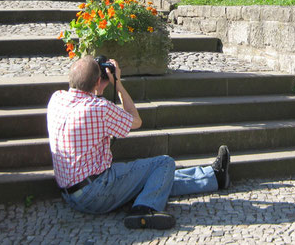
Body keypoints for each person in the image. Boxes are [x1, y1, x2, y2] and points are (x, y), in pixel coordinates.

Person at [47, 56, 231, 230]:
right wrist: (117, 84)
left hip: (70, 193)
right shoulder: (98, 109)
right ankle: (145, 210)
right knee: (164, 163)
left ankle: (214, 176)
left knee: (156, 180)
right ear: (97, 81)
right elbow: (136, 121)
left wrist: (97, 87)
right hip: (95, 193)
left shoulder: (56, 99)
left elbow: (87, 100)